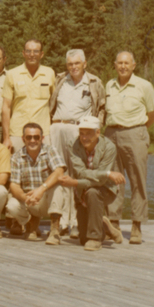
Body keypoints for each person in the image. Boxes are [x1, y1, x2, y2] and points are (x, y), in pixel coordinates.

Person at [48, 49, 106, 240]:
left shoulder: (94, 83)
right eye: (70, 64)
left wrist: (95, 132)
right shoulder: (60, 80)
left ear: (84, 64)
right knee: (59, 173)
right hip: (57, 128)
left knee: (76, 174)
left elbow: (102, 109)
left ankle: (75, 222)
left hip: (78, 131)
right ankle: (62, 220)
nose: (73, 67)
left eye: (76, 63)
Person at [105, 51, 154, 245]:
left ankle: (136, 225)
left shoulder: (144, 86)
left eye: (127, 63)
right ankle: (114, 223)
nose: (123, 66)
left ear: (134, 65)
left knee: (137, 180)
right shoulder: (109, 85)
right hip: (111, 134)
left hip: (135, 133)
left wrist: (138, 131)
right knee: (113, 180)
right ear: (115, 65)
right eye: (119, 63)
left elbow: (152, 115)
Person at [58, 116, 125, 251]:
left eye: (88, 134)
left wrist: (75, 183)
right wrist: (107, 173)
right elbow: (81, 172)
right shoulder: (74, 145)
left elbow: (100, 181)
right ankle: (103, 224)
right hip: (83, 191)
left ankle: (95, 238)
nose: (84, 138)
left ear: (98, 133)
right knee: (83, 240)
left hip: (105, 189)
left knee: (93, 192)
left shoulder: (109, 147)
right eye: (81, 133)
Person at [5, 123, 67, 244]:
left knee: (58, 186)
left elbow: (59, 171)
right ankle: (30, 223)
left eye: (36, 137)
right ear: (23, 139)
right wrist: (25, 198)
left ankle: (54, 230)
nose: (32, 140)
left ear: (42, 138)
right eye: (29, 137)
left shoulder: (50, 150)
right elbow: (14, 185)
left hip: (46, 199)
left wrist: (41, 189)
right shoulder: (16, 157)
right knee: (11, 205)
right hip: (28, 200)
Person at [1, 39, 55, 153]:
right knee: (16, 166)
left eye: (36, 51)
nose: (32, 55)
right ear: (23, 53)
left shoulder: (49, 73)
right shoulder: (12, 74)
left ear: (41, 54)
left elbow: (54, 103)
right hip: (17, 132)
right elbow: (6, 107)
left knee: (44, 166)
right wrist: (6, 138)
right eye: (28, 51)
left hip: (43, 132)